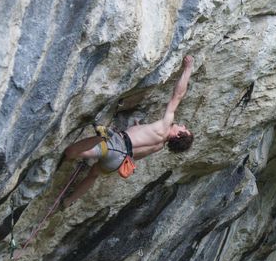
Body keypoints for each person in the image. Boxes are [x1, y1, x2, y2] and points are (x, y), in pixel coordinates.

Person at [62, 55, 195, 207]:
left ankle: (79, 150)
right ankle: (68, 201)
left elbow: (177, 96)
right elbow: (136, 150)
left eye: (184, 129)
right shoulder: (159, 146)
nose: (183, 126)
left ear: (178, 135)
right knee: (93, 175)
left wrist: (188, 68)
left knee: (73, 152)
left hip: (115, 145)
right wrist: (138, 127)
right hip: (118, 161)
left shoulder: (165, 125)